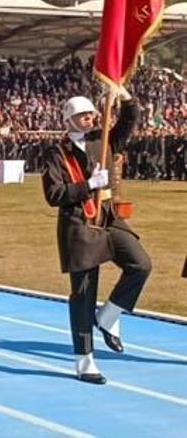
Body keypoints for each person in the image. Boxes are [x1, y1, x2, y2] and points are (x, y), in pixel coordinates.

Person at [42, 88, 151, 384]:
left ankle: (108, 316)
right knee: (84, 293)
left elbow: (129, 121)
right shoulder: (57, 152)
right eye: (82, 115)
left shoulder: (102, 140)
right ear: (69, 119)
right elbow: (54, 194)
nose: (90, 118)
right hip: (78, 223)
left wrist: (125, 96)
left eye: (91, 113)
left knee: (140, 264)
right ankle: (84, 358)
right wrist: (88, 184)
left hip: (107, 217)